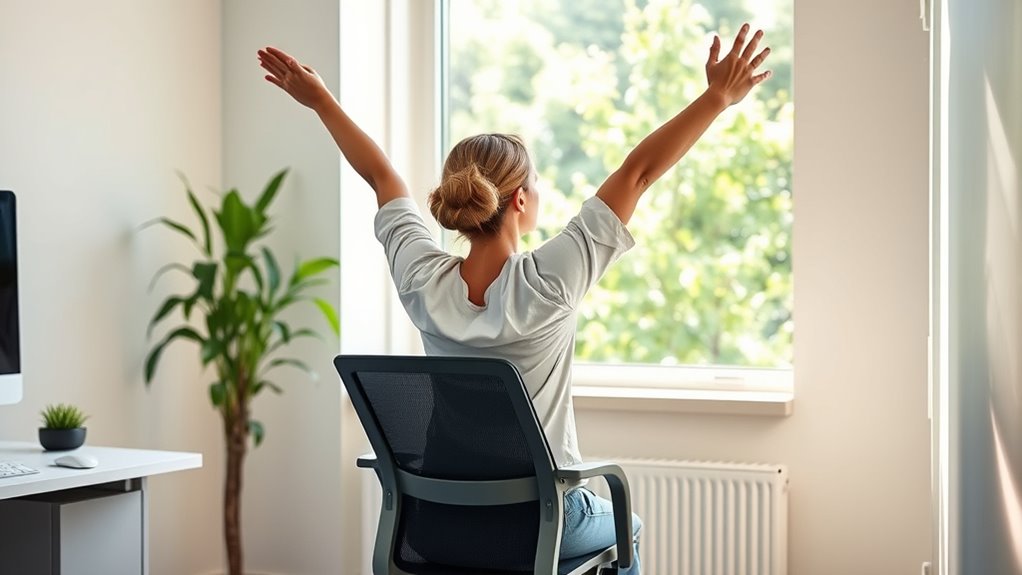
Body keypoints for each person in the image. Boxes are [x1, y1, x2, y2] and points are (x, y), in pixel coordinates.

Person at [258, 23, 770, 574]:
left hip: (439, 524)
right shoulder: (551, 280)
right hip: (539, 526)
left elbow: (382, 177)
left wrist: (321, 101)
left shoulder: (422, 282)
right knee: (629, 523)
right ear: (521, 200)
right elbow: (637, 174)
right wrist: (717, 97)